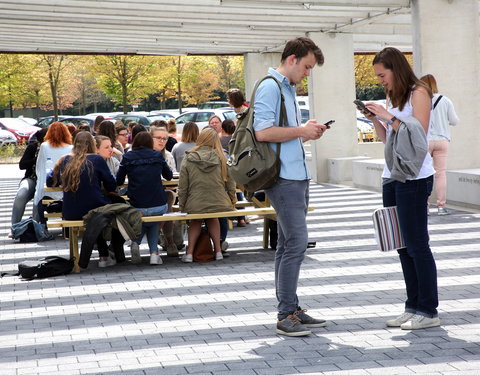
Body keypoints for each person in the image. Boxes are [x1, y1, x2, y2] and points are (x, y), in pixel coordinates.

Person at [253, 37, 327, 337]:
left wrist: (306, 134)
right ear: (293, 59)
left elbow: (280, 135)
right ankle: (286, 314)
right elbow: (262, 132)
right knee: (296, 243)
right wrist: (300, 130)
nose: (307, 74)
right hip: (283, 177)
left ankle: (291, 309)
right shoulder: (271, 86)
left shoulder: (286, 88)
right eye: (307, 67)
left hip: (295, 175)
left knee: (287, 244)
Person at [362, 47, 439, 330]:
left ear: (396, 68)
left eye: (383, 75)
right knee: (402, 246)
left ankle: (429, 310)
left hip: (415, 177)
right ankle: (413, 305)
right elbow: (390, 138)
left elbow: (417, 134)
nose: (381, 80)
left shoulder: (419, 92)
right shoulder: (393, 96)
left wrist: (387, 115)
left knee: (418, 245)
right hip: (391, 175)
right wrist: (376, 120)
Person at [48, 131, 123, 268]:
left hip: (71, 212)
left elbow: (50, 179)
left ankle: (103, 255)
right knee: (113, 211)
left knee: (97, 216)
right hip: (94, 209)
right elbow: (112, 185)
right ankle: (108, 255)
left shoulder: (66, 160)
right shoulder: (96, 159)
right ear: (93, 144)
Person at [178, 128, 236, 263]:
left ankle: (190, 253)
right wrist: (232, 199)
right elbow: (231, 182)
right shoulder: (222, 157)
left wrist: (182, 204)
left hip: (195, 202)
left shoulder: (188, 156)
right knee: (213, 217)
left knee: (196, 220)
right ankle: (218, 251)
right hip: (219, 202)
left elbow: (183, 185)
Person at [116, 132, 173, 265]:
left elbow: (118, 180)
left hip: (137, 205)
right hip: (158, 204)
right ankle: (154, 253)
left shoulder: (127, 156)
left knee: (144, 217)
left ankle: (136, 243)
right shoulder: (158, 155)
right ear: (149, 142)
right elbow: (169, 176)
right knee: (153, 218)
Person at [420, 74, 459, 215]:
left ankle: (424, 206)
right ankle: (441, 206)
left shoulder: (420, 100)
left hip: (425, 141)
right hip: (442, 141)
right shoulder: (445, 100)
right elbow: (454, 120)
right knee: (440, 174)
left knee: (424, 174)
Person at [33, 122, 73, 224]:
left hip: (49, 185)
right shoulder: (70, 148)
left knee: (41, 203)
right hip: (66, 188)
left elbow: (40, 165)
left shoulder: (44, 146)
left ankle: (43, 226)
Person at [10, 128, 48, 233]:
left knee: (38, 200)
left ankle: (36, 229)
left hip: (46, 182)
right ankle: (15, 227)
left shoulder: (53, 148)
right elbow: (22, 165)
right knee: (21, 194)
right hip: (31, 178)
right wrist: (36, 159)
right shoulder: (33, 147)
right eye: (40, 142)